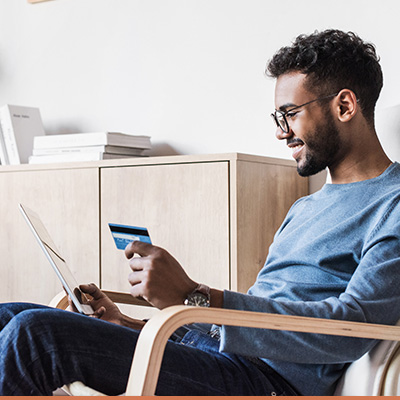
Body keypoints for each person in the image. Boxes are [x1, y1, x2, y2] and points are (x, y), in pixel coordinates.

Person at [1, 28, 400, 396]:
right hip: (222, 357)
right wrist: (128, 325)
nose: (281, 131)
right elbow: (243, 328)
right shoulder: (306, 206)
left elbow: (353, 326)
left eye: (290, 114)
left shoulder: (392, 205)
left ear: (345, 105)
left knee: (35, 335)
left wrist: (194, 296)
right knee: (10, 315)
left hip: (267, 384)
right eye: (278, 118)